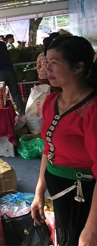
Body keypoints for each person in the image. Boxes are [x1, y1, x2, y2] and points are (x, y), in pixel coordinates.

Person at [30, 36, 97, 246]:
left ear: (78, 68)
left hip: (83, 197)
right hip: (60, 193)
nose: (47, 68)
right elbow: (48, 149)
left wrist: (92, 230)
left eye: (54, 63)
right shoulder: (52, 101)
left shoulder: (92, 110)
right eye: (46, 61)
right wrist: (39, 191)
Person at [0, 30, 25, 118]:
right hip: (10, 71)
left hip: (0, 73)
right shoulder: (2, 44)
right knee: (16, 94)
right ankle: (22, 115)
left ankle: (5, 116)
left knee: (0, 96)